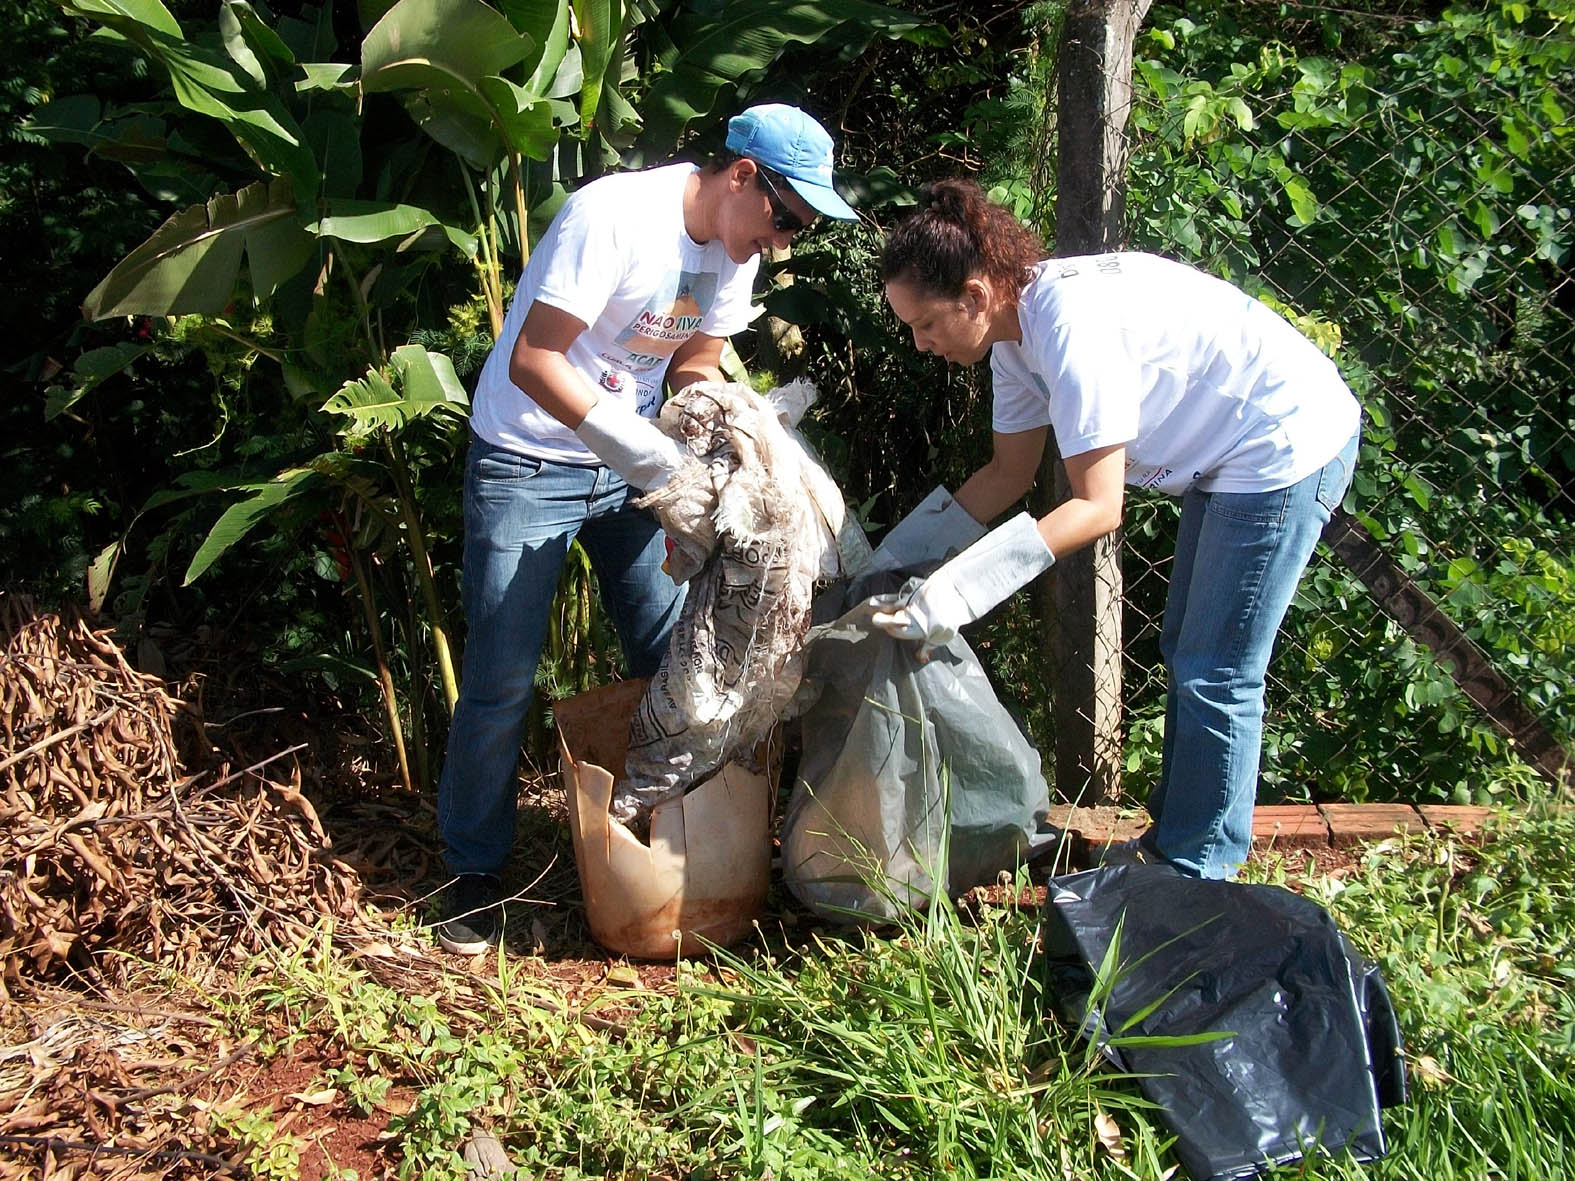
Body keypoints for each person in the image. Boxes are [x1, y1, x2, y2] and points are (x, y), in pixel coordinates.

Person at [436, 104, 858, 954]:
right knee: (501, 678)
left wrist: (711, 448)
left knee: (677, 653)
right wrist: (652, 462)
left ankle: (678, 840)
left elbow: (694, 361)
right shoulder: (615, 218)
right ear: (742, 176)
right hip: (528, 459)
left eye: (800, 229)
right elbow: (534, 358)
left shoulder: (732, 251)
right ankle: (471, 871)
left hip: (633, 470)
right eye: (785, 218)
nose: (781, 241)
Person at [870, 179, 1360, 880]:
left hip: (1279, 440)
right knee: (1187, 650)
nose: (921, 345)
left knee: (1216, 668)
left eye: (925, 325)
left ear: (975, 294)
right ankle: (1179, 843)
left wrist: (953, 595)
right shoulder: (1012, 341)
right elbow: (1006, 476)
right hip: (1227, 456)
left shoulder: (1069, 326)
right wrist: (890, 562)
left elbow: (1098, 508)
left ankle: (1194, 874)